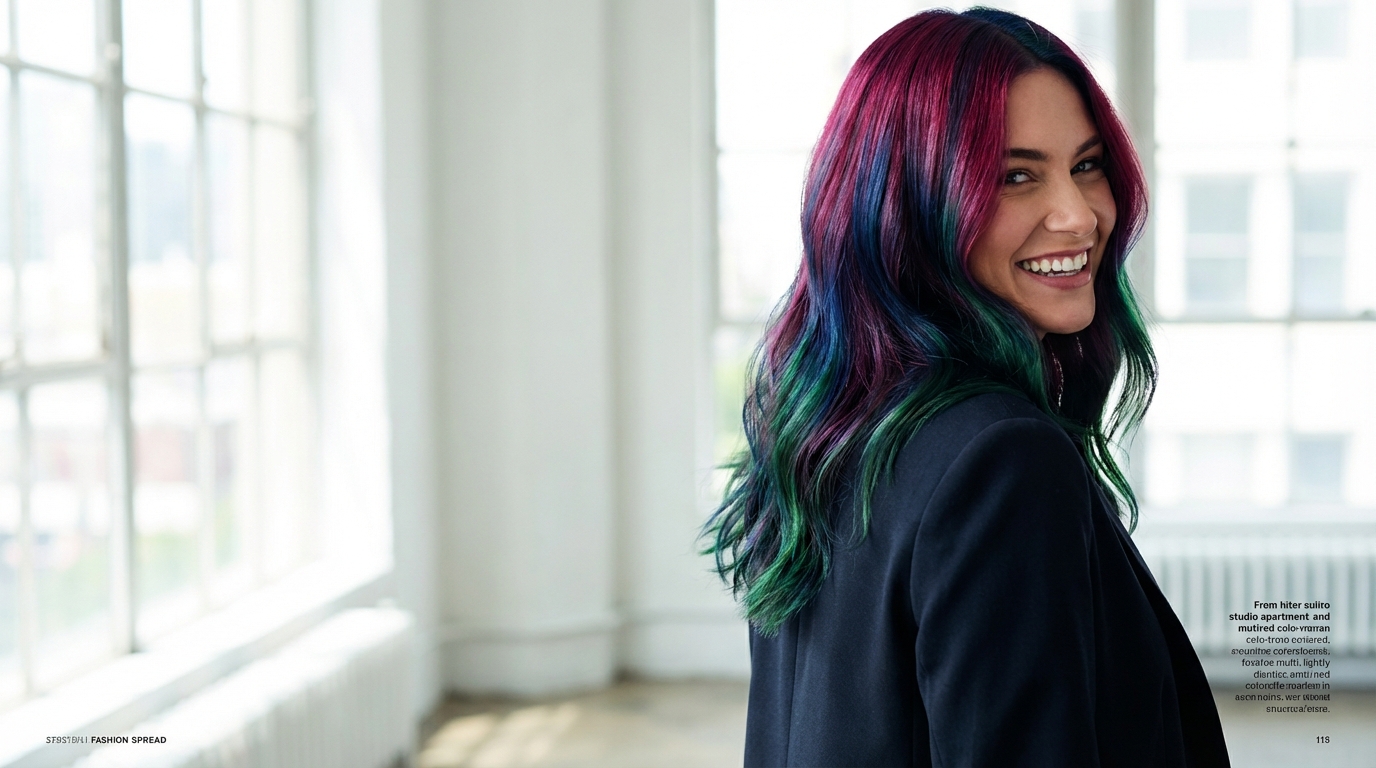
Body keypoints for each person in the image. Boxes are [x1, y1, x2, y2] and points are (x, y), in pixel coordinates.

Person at [701, 8, 1230, 767]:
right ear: (908, 206)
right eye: (1016, 176)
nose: (1079, 215)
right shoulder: (1002, 461)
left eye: (1086, 165)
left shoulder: (824, 423)